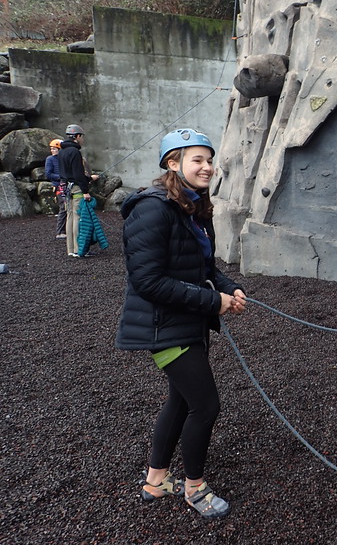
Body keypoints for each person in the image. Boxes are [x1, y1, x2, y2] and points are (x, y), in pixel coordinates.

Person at [115, 128, 247, 519]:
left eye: (209, 160)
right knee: (206, 406)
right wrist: (213, 301)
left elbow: (204, 267)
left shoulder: (191, 207)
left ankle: (156, 482)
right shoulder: (152, 209)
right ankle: (195, 489)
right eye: (197, 160)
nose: (207, 167)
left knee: (181, 400)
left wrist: (230, 288)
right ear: (173, 164)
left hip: (186, 322)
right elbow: (148, 281)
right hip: (163, 327)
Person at [58, 124, 93, 257]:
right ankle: (80, 249)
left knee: (70, 217)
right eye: (82, 136)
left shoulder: (61, 152)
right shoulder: (75, 152)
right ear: (77, 136)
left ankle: (71, 249)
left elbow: (65, 173)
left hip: (66, 188)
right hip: (77, 187)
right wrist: (85, 190)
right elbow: (78, 174)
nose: (83, 139)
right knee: (78, 217)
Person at [44, 139, 67, 239]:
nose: (52, 151)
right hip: (59, 186)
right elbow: (48, 174)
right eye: (51, 149)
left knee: (67, 208)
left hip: (66, 184)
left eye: (54, 149)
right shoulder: (50, 159)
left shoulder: (63, 159)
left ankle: (65, 229)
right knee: (63, 208)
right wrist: (61, 177)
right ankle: (60, 231)